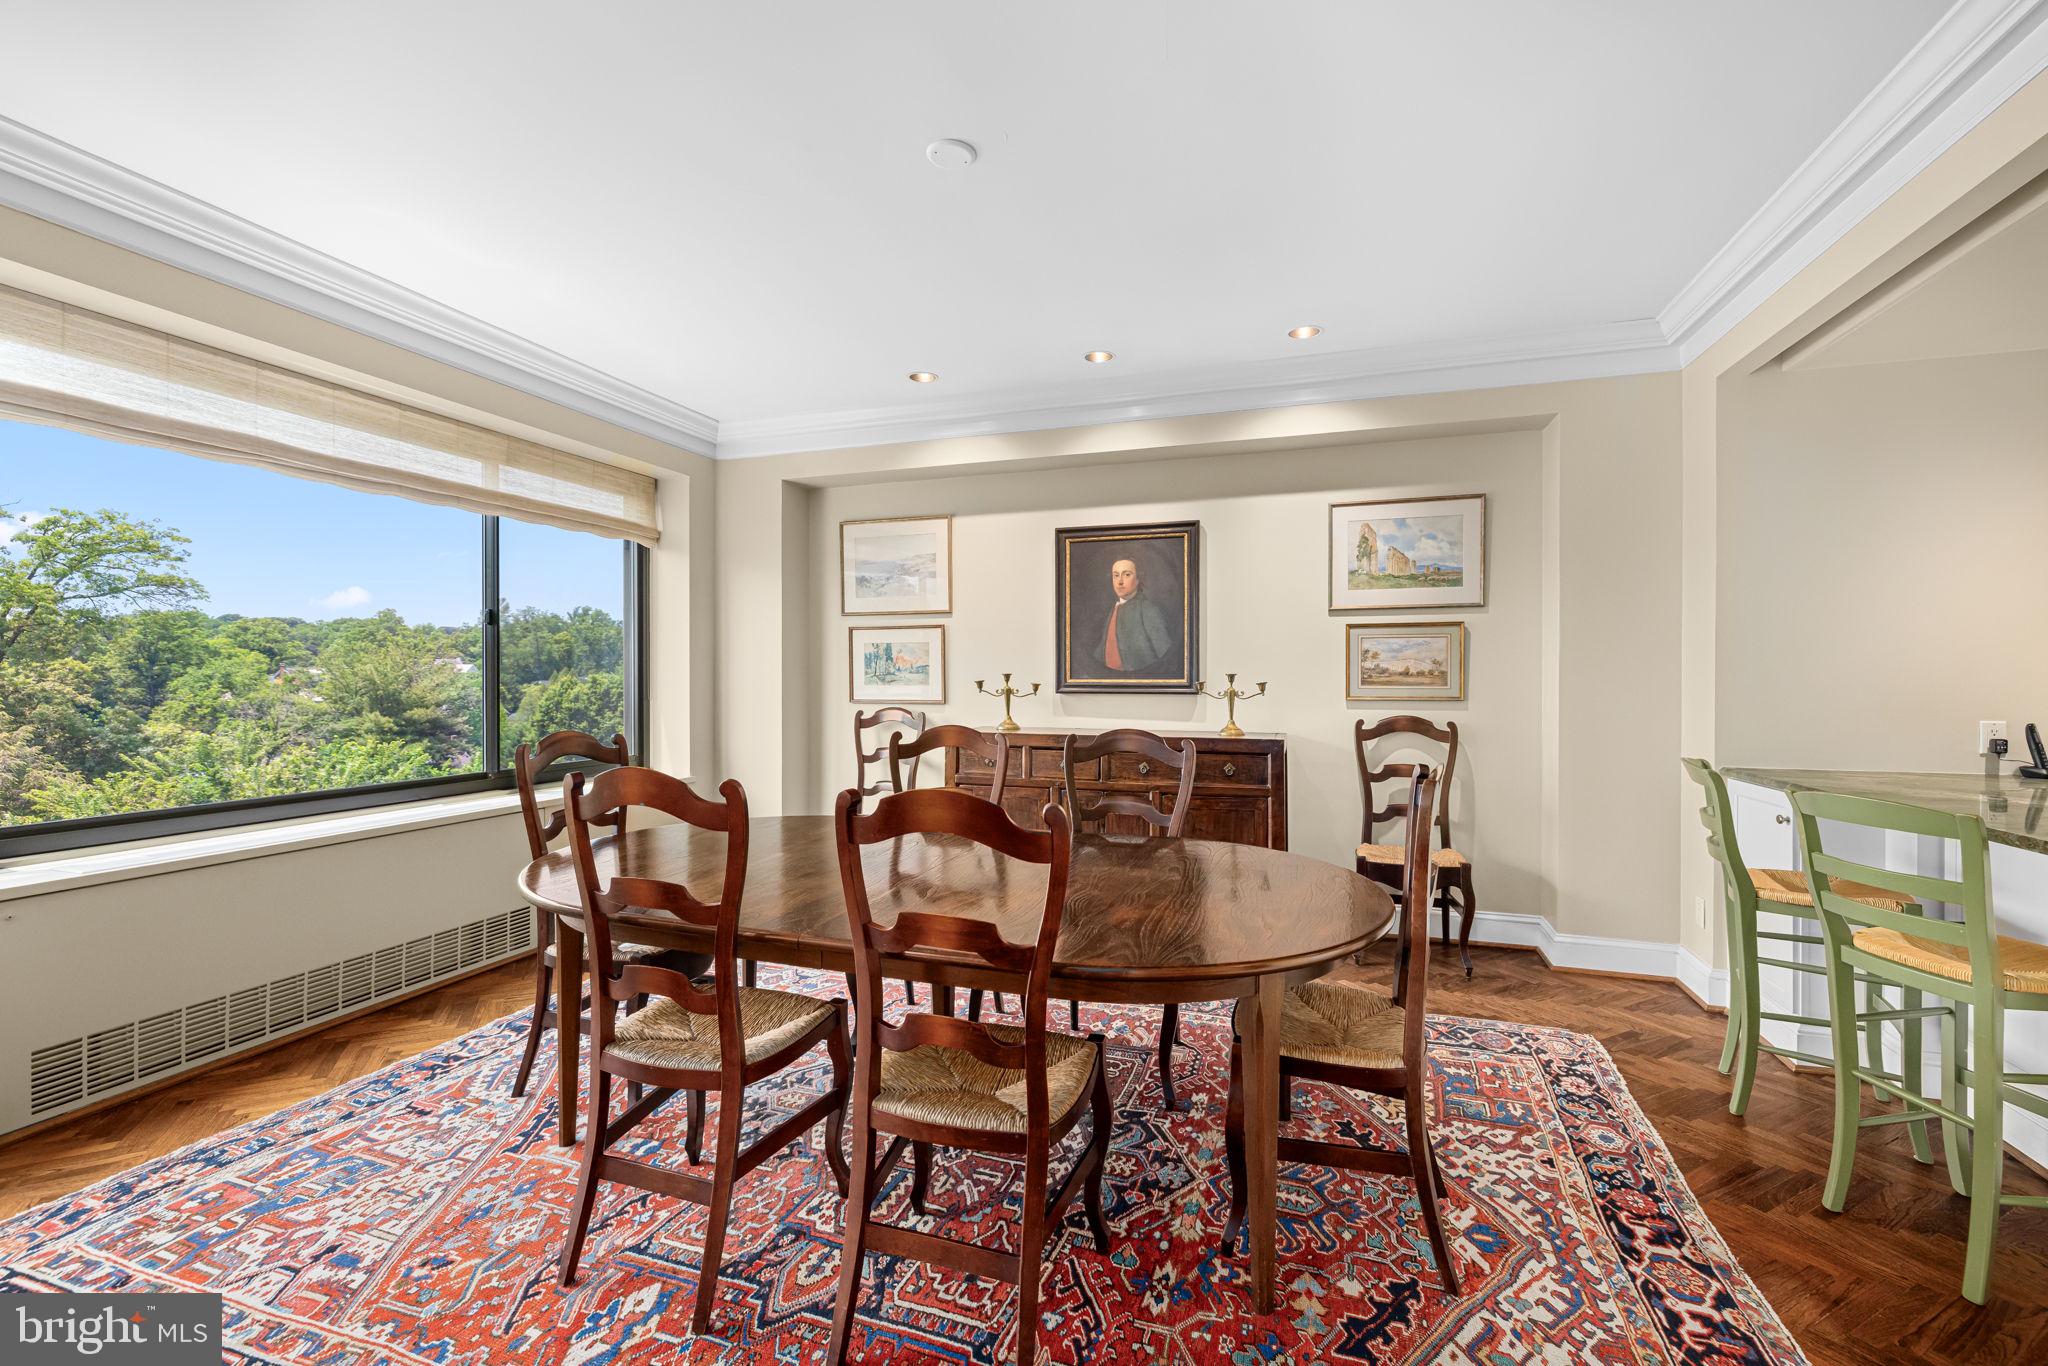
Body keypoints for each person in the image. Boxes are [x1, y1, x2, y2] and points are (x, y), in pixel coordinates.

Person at [1095, 557, 1175, 675]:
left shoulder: (1147, 609)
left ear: (1138, 579)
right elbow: (1103, 649)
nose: (1120, 581)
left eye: (1127, 575)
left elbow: (1166, 654)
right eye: (1116, 575)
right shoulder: (1114, 609)